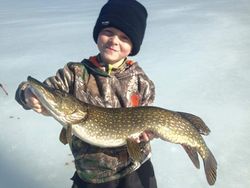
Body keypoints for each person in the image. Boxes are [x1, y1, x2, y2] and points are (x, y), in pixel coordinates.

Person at [15, 0, 158, 187]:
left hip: (135, 170)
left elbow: (149, 118)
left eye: (124, 38)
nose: (114, 41)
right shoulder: (74, 74)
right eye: (109, 32)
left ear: (133, 46)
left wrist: (148, 133)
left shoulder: (142, 82)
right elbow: (34, 88)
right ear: (98, 33)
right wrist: (27, 94)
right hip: (90, 174)